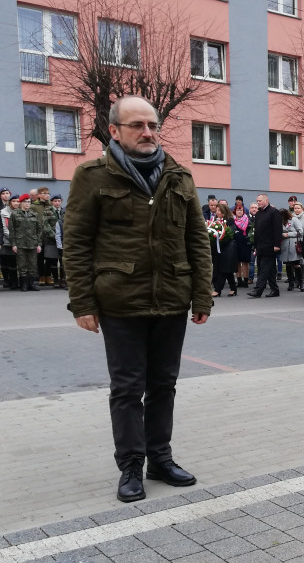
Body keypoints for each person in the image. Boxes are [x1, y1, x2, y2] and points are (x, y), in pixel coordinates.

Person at [63, 95, 212, 503]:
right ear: (114, 130)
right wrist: (83, 303)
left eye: (152, 125)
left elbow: (196, 239)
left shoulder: (179, 176)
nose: (147, 133)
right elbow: (76, 244)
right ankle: (131, 466)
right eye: (137, 126)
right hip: (120, 301)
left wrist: (202, 295)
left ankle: (160, 459)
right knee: (127, 388)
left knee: (164, 384)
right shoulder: (92, 175)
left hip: (171, 298)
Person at [248, 193, 281, 298]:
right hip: (260, 246)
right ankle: (275, 290)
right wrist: (255, 246)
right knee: (269, 270)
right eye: (257, 201)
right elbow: (257, 231)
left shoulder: (274, 212)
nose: (258, 202)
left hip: (270, 246)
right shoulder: (258, 214)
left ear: (266, 201)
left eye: (260, 201)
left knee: (263, 268)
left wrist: (277, 244)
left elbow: (277, 229)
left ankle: (258, 290)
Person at [11, 195, 43, 291]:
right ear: (21, 203)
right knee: (22, 265)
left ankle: (31, 284)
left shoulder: (34, 214)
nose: (27, 204)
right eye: (25, 202)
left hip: (32, 243)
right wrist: (14, 244)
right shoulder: (15, 214)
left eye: (29, 202)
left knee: (32, 265)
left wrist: (39, 244)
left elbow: (39, 230)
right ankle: (24, 284)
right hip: (20, 243)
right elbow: (12, 230)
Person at [209, 203, 238, 297]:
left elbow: (232, 233)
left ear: (224, 211)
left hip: (228, 248)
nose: (217, 212)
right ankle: (233, 288)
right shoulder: (215, 221)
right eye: (216, 210)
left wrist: (223, 236)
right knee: (226, 270)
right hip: (218, 248)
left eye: (219, 211)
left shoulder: (230, 221)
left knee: (223, 269)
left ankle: (218, 290)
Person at [280, 207, 303, 292]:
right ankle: (291, 283)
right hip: (285, 245)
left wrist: (288, 234)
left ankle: (301, 283)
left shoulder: (294, 220)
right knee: (288, 265)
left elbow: (300, 232)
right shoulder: (281, 221)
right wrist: (282, 234)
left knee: (296, 264)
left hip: (294, 244)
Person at [289, 201, 304, 292]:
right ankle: (294, 281)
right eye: (295, 208)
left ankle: (301, 281)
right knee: (292, 262)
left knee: (302, 263)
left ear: (302, 209)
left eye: (298, 208)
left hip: (302, 242)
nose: (296, 210)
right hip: (292, 242)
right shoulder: (290, 218)